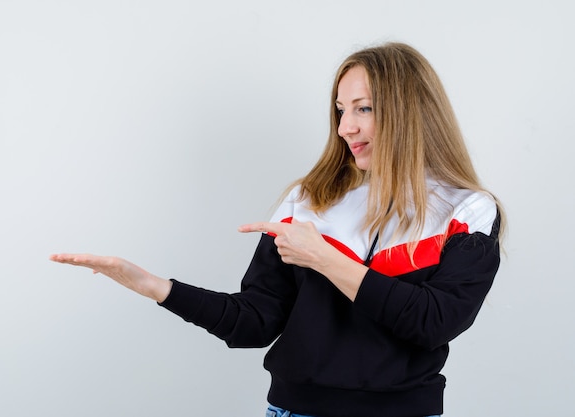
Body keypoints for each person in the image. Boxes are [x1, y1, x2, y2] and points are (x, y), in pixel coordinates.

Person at [50, 42, 504, 417]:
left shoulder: (468, 211)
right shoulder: (311, 199)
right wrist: (155, 287)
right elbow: (255, 321)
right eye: (340, 109)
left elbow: (433, 322)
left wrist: (324, 258)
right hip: (293, 410)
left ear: (410, 112)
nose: (346, 127)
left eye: (364, 108)